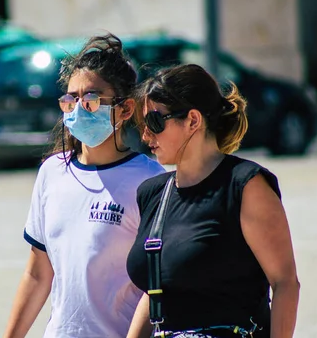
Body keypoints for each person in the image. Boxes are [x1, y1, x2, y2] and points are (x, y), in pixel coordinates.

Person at [3, 34, 165, 338]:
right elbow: (38, 274)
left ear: (126, 109)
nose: (78, 109)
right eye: (70, 100)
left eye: (90, 99)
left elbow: (156, 284)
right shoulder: (52, 172)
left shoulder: (149, 180)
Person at [126, 64, 300, 338]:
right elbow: (156, 292)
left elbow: (285, 283)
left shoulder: (245, 185)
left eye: (154, 123)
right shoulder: (152, 193)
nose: (145, 136)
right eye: (142, 125)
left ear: (193, 121)